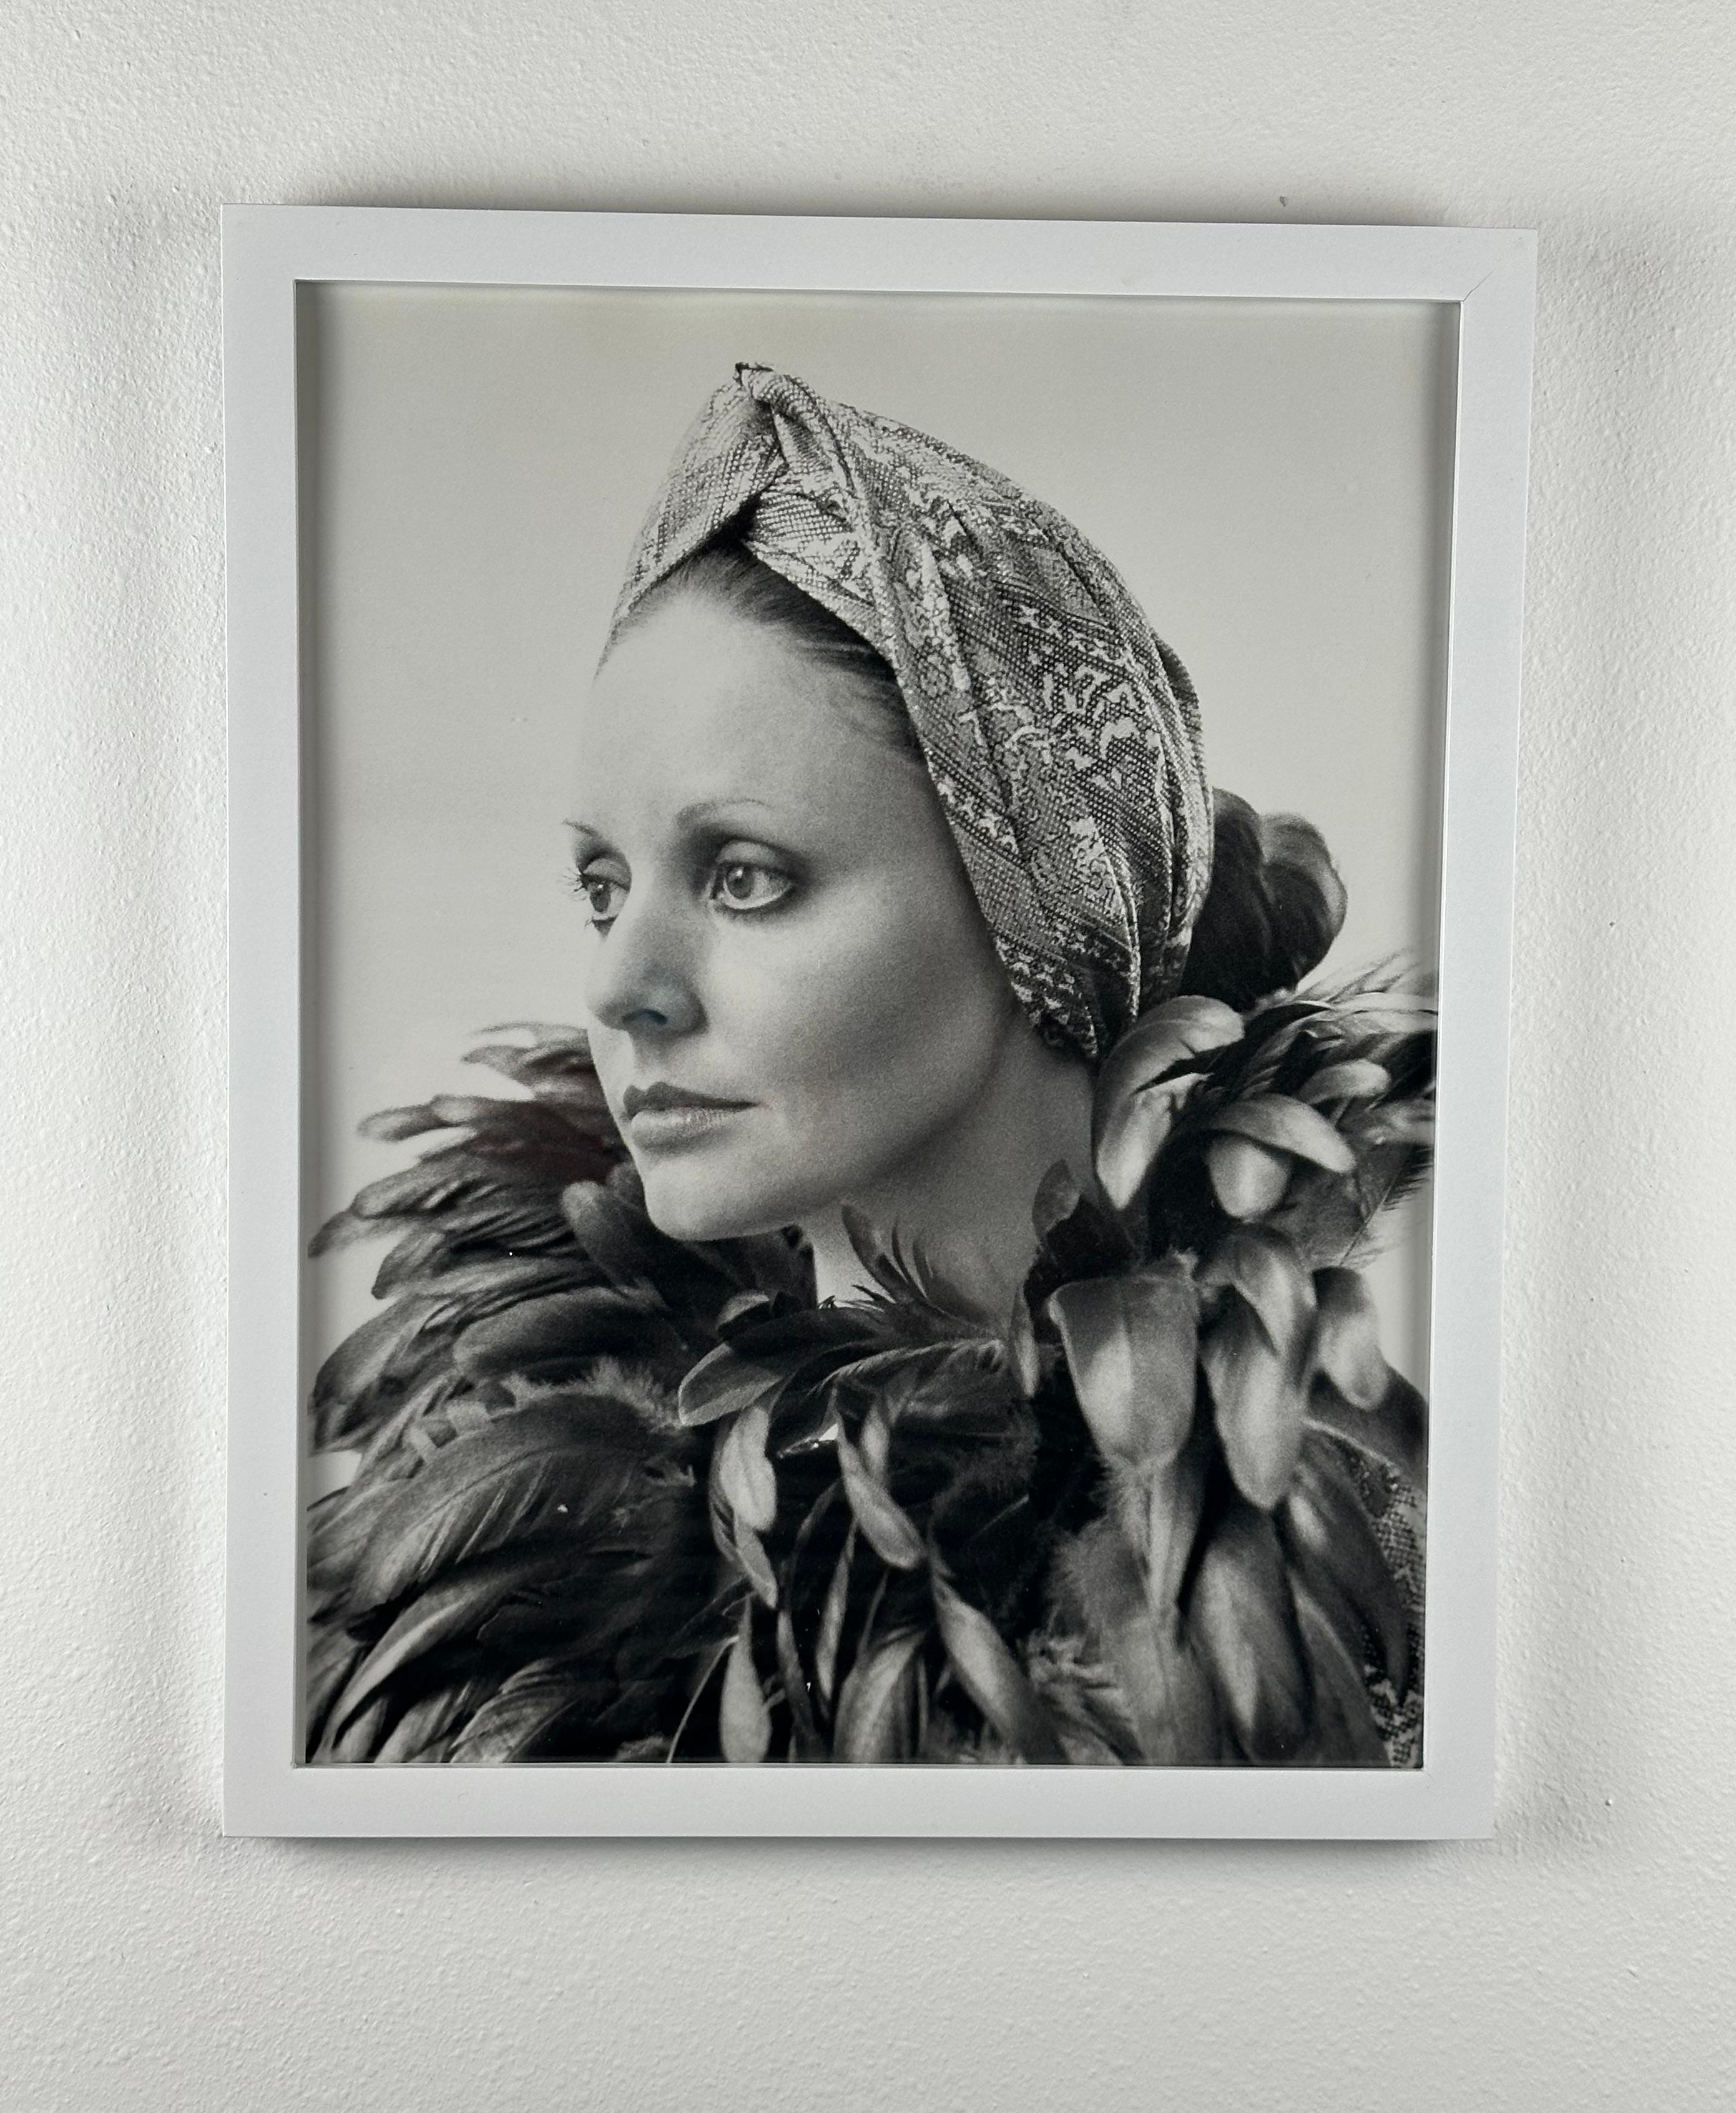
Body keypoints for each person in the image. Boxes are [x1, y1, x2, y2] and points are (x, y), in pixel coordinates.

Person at [303, 366, 1431, 1770]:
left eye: (744, 877)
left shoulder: (1367, 1570)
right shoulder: (477, 1525)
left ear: (1037, 898)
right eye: (602, 886)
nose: (619, 987)